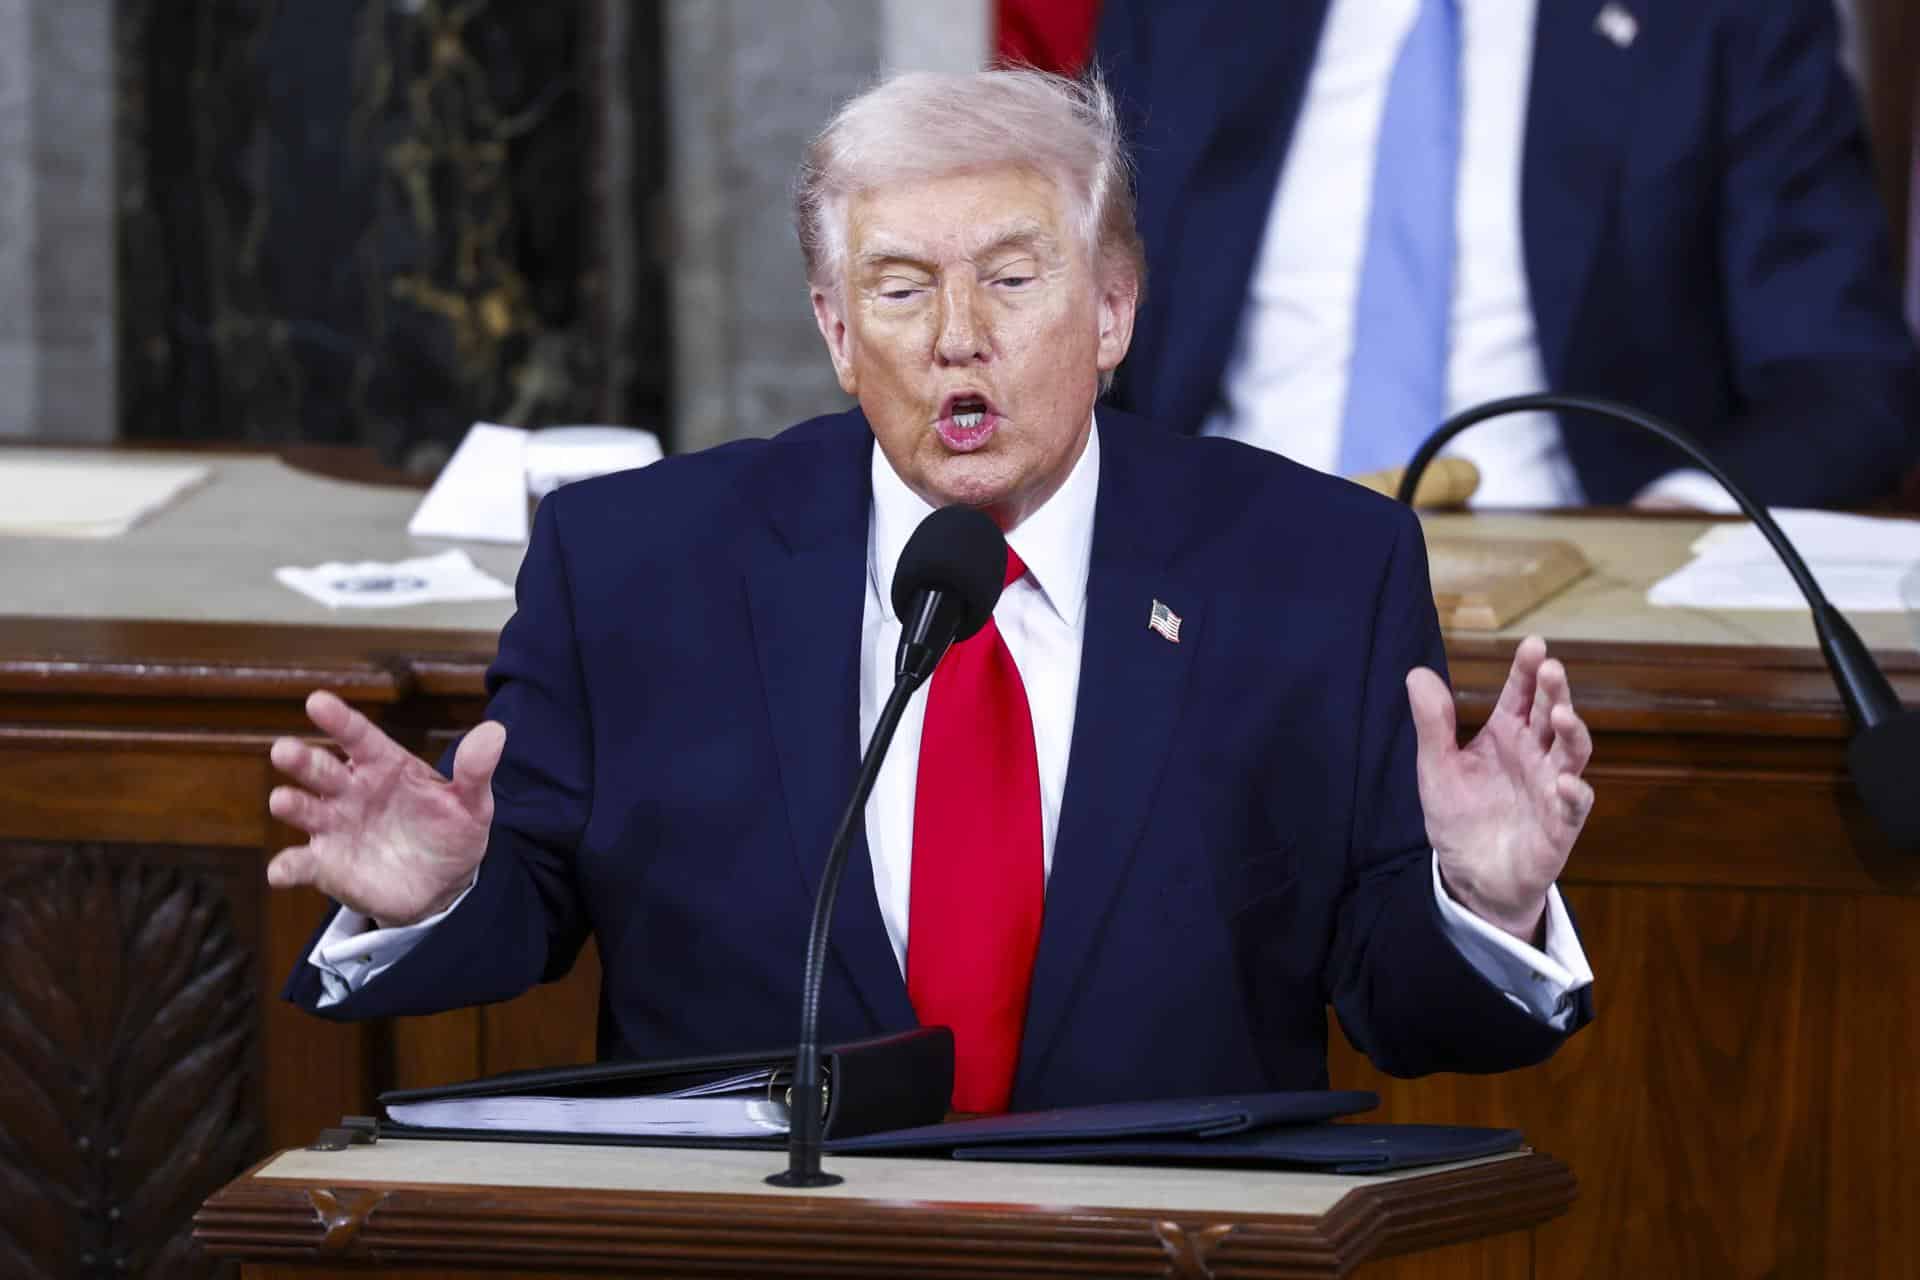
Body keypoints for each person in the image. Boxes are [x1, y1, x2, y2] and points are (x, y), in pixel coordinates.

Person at [266, 69, 1596, 1115]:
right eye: (901, 289)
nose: (959, 337)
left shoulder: (1313, 569)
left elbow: (1406, 1011)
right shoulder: (633, 564)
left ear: (1115, 309)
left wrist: (1483, 904)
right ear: (839, 332)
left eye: (1013, 280)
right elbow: (530, 904)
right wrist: (436, 893)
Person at [1094, 0, 1920, 509]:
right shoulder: (1184, 12)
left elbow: (1843, 381)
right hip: (1210, 588)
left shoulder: (1725, 18)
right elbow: (1077, 314)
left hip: (1572, 612)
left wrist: (1678, 520)